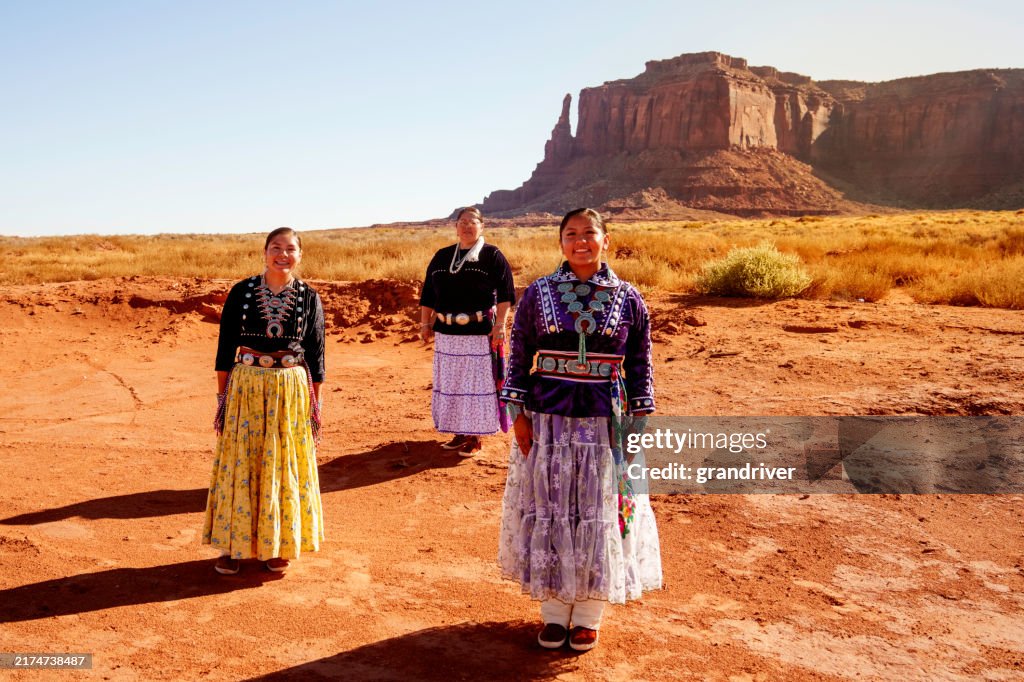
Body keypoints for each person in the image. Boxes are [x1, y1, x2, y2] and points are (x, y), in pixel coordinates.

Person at [498, 208, 662, 651]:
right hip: (548, 418)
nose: (580, 242)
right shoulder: (537, 293)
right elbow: (518, 355)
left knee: (598, 509)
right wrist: (518, 416)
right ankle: (554, 613)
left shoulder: (629, 298)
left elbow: (642, 363)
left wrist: (638, 423)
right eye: (570, 235)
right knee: (551, 505)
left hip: (604, 420)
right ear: (561, 244)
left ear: (606, 240)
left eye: (589, 233)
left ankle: (588, 613)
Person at [202, 227, 326, 575]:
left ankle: (278, 544)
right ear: (264, 252)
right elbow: (225, 349)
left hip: (290, 388)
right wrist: (222, 398)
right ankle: (233, 547)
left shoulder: (309, 297)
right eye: (276, 248)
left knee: (283, 464)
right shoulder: (241, 292)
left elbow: (316, 358)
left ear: (300, 255)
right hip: (246, 387)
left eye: (290, 249)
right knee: (241, 461)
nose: (282, 255)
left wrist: (315, 407)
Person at [419, 207, 515, 455]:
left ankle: (475, 437)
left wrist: (500, 325)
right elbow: (428, 293)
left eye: (472, 222)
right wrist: (424, 324)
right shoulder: (442, 256)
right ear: (455, 226)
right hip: (446, 334)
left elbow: (506, 295)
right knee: (452, 384)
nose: (467, 226)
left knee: (475, 385)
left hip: (478, 332)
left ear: (482, 226)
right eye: (462, 222)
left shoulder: (492, 256)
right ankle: (458, 432)